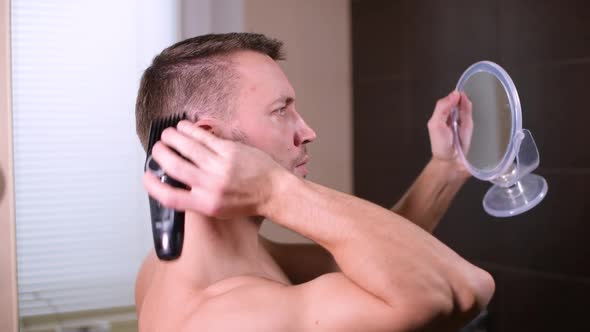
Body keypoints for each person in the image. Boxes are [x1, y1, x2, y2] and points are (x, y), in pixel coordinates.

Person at [134, 32, 490, 332]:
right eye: (281, 110)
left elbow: (381, 259)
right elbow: (463, 288)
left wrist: (447, 168)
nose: (307, 131)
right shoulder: (233, 319)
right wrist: (276, 191)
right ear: (207, 141)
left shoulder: (177, 262)